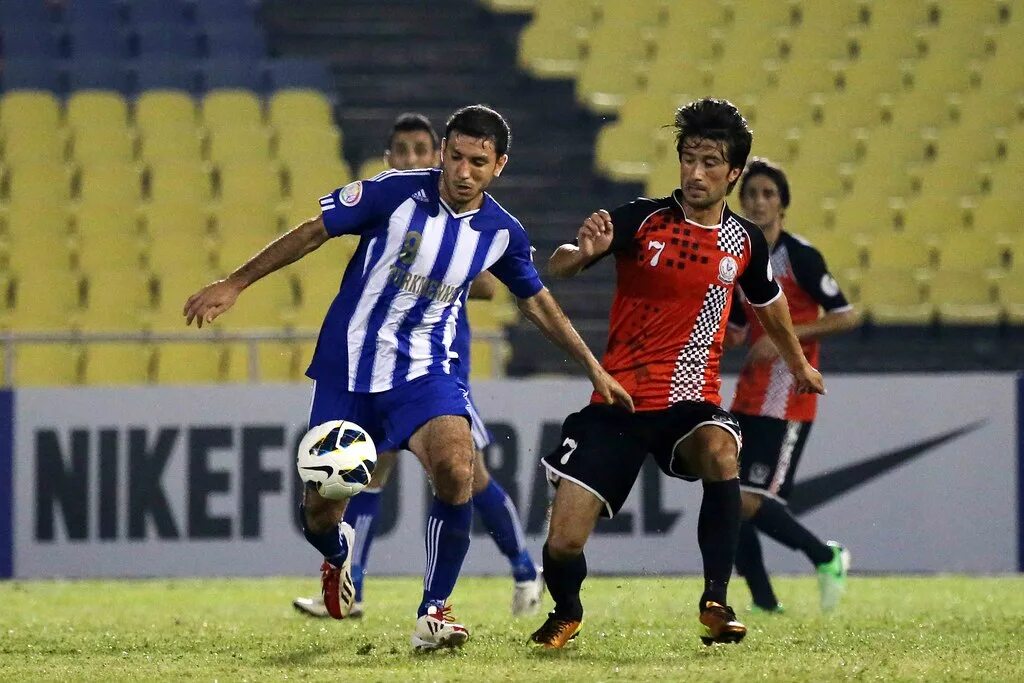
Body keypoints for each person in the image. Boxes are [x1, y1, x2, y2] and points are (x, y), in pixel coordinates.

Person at [183, 105, 631, 651]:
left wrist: (593, 367)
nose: (464, 172)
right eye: (457, 157)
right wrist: (235, 282)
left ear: (499, 166)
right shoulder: (393, 192)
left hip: (426, 373)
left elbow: (535, 301)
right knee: (320, 510)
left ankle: (434, 611)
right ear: (443, 151)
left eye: (479, 163)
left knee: (457, 464)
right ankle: (338, 554)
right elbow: (312, 232)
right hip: (348, 372)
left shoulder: (502, 233)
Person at [528, 98, 825, 649]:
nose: (696, 172)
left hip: (690, 401)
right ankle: (566, 609)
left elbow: (768, 301)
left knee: (719, 451)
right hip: (619, 401)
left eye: (711, 162)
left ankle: (716, 600)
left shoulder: (744, 242)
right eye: (689, 158)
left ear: (733, 173)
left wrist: (797, 361)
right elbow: (560, 263)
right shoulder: (643, 218)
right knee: (564, 541)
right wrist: (581, 252)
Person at [291, 113, 543, 621]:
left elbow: (495, 284)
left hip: (440, 359)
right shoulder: (399, 201)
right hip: (374, 360)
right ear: (390, 159)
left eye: (419, 150)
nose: (411, 159)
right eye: (400, 151)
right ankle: (350, 582)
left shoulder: (477, 223)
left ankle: (520, 567)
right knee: (368, 468)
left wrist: (436, 264)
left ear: (437, 153)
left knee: (466, 475)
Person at [724, 158, 859, 614]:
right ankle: (765, 605)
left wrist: (786, 338)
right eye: (751, 195)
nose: (759, 202)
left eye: (768, 194)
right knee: (728, 499)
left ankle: (826, 556)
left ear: (782, 204)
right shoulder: (740, 254)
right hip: (747, 396)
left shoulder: (799, 255)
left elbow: (845, 315)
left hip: (788, 399)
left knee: (744, 500)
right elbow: (741, 326)